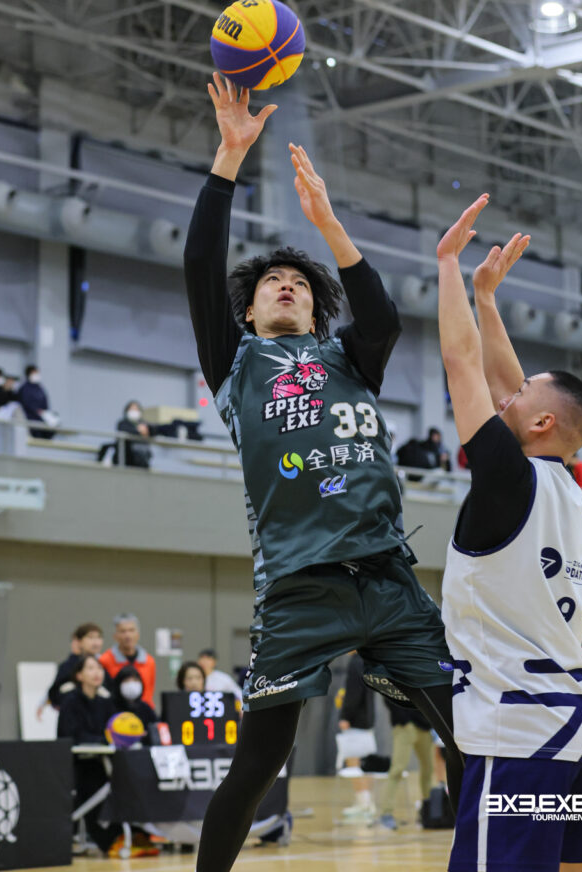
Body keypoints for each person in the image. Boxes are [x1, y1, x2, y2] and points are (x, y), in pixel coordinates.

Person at [183, 72, 458, 872]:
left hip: (389, 581)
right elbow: (200, 263)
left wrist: (329, 226)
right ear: (248, 311)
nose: (286, 286)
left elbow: (383, 317)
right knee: (257, 767)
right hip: (298, 588)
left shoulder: (348, 359)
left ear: (313, 309)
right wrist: (229, 158)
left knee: (469, 735)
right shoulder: (235, 364)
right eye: (273, 282)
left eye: (300, 285)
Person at [437, 194, 582, 872]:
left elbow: (463, 364)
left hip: (519, 734)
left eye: (522, 392)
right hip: (578, 730)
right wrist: (487, 298)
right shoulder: (570, 491)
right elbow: (517, 392)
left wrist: (448, 267)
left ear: (541, 425)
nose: (507, 390)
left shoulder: (509, 479)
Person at [57, 655, 119, 854]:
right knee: (92, 784)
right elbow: (69, 734)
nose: (97, 673)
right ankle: (104, 838)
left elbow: (113, 731)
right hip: (78, 764)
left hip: (103, 761)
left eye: (99, 668)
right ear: (79, 675)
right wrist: (100, 740)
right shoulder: (70, 702)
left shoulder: (106, 702)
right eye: (91, 668)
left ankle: (126, 833)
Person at [379, 699, 433, 831]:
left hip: (424, 726)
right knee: (397, 769)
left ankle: (428, 812)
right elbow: (387, 695)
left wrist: (429, 720)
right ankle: (386, 813)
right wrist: (403, 720)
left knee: (428, 769)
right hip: (404, 726)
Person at [337, 652, 376, 825]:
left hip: (357, 721)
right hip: (367, 720)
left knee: (354, 763)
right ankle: (366, 803)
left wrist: (345, 716)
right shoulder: (367, 659)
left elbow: (354, 693)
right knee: (365, 764)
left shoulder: (356, 662)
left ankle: (364, 804)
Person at [99, 613, 156, 707]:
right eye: (123, 631)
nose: (128, 635)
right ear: (115, 636)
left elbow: (149, 694)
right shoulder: (104, 660)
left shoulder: (149, 661)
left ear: (138, 634)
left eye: (131, 630)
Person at [47, 622, 109, 708]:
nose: (96, 642)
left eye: (99, 637)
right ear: (79, 642)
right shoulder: (68, 666)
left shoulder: (104, 664)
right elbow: (54, 695)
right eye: (90, 637)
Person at [17, 364, 55, 439]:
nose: (37, 375)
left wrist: (45, 413)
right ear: (29, 374)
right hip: (30, 419)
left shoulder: (40, 388)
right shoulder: (25, 388)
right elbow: (26, 403)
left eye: (37, 373)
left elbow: (45, 402)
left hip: (42, 418)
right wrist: (36, 411)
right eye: (35, 373)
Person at [115, 401, 153, 468]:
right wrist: (139, 431)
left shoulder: (144, 423)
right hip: (127, 456)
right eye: (132, 409)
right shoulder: (122, 423)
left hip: (142, 458)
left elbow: (150, 432)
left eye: (136, 409)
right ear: (127, 411)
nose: (134, 411)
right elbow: (124, 431)